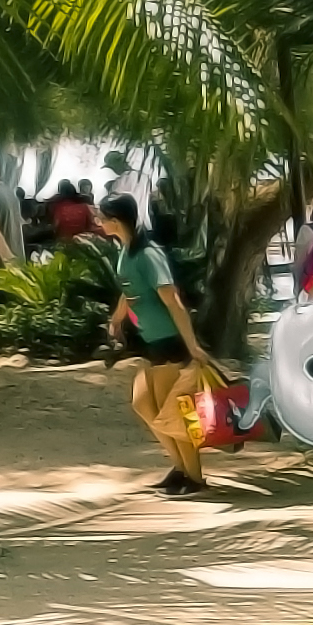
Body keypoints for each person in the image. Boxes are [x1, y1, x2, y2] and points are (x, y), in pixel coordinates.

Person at [102, 197, 221, 496]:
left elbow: (173, 300)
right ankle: (180, 467)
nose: (98, 223)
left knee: (176, 413)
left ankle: (193, 477)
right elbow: (129, 291)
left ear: (116, 220)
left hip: (170, 340)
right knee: (143, 404)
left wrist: (192, 346)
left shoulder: (148, 254)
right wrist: (116, 321)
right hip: (150, 340)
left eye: (102, 218)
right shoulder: (127, 252)